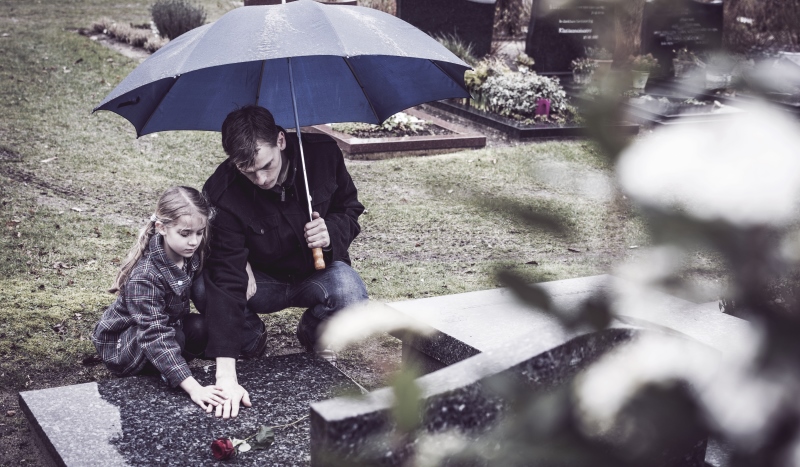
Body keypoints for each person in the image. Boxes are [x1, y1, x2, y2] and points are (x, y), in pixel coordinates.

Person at [198, 105, 368, 419]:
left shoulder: (323, 154)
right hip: (261, 282)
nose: (261, 179)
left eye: (266, 166)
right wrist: (225, 376)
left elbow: (351, 208)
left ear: (281, 140)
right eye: (248, 172)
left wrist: (330, 232)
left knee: (352, 296)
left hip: (317, 273)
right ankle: (251, 340)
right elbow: (225, 278)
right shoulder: (221, 191)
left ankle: (314, 333)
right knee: (203, 287)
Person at [92, 186, 228, 413]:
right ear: (162, 228)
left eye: (199, 232)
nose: (194, 241)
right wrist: (193, 387)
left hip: (167, 327)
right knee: (172, 337)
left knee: (201, 328)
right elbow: (154, 334)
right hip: (126, 346)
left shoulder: (190, 251)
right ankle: (164, 372)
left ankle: (169, 365)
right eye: (185, 234)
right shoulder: (145, 277)